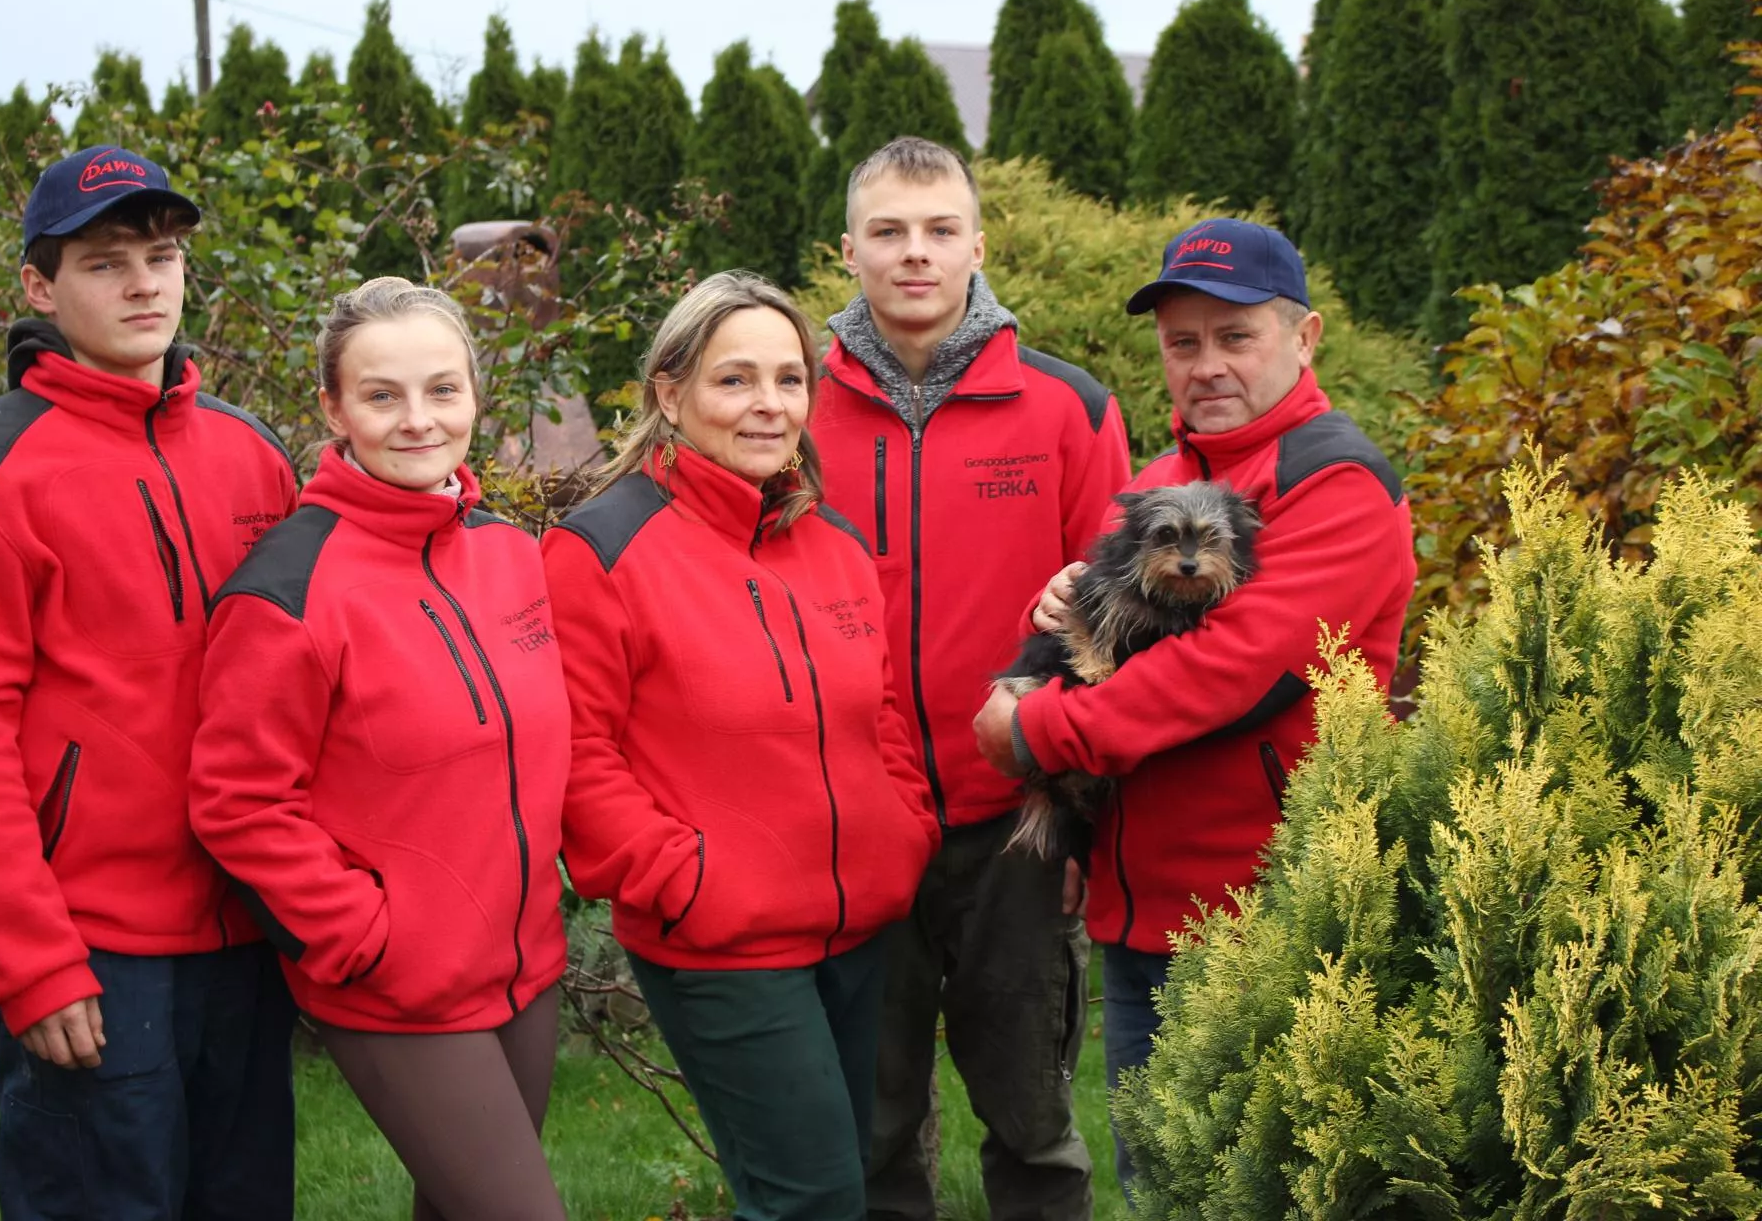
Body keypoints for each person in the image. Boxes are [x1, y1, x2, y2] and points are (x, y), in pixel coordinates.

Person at [0, 145, 301, 1219]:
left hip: (249, 932)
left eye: (161, 257)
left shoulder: (253, 454)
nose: (143, 284)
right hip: (98, 946)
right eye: (106, 261)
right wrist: (34, 961)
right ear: (40, 286)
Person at [972, 217, 1416, 1182]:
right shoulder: (1163, 483)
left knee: (1255, 1189)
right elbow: (1102, 628)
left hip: (1265, 916)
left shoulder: (1334, 479)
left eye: (1235, 335)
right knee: (1158, 1186)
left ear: (1305, 339)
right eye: (1183, 342)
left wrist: (1034, 733)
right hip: (1140, 919)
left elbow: (1227, 677)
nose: (1206, 364)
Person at [543, 270, 940, 1220]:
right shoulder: (598, 549)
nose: (769, 405)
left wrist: (904, 829)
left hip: (856, 928)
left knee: (839, 1175)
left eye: (789, 379)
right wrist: (685, 879)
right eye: (734, 380)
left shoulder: (832, 543)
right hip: (722, 942)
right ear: (670, 393)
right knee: (812, 1199)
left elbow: (879, 712)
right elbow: (577, 756)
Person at [186, 277, 569, 1219]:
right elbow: (237, 799)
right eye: (382, 395)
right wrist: (366, 939)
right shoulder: (288, 587)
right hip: (401, 990)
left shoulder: (510, 555)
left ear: (476, 396)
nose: (418, 421)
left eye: (443, 390)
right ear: (333, 406)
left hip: (527, 964)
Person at [809, 136, 1131, 1220]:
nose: (915, 254)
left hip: (1017, 823)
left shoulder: (1066, 407)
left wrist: (1085, 812)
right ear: (847, 248)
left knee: (1032, 1117)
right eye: (889, 231)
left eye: (940, 230)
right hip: (849, 814)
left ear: (978, 245)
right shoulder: (787, 406)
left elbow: (1115, 621)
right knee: (872, 1119)